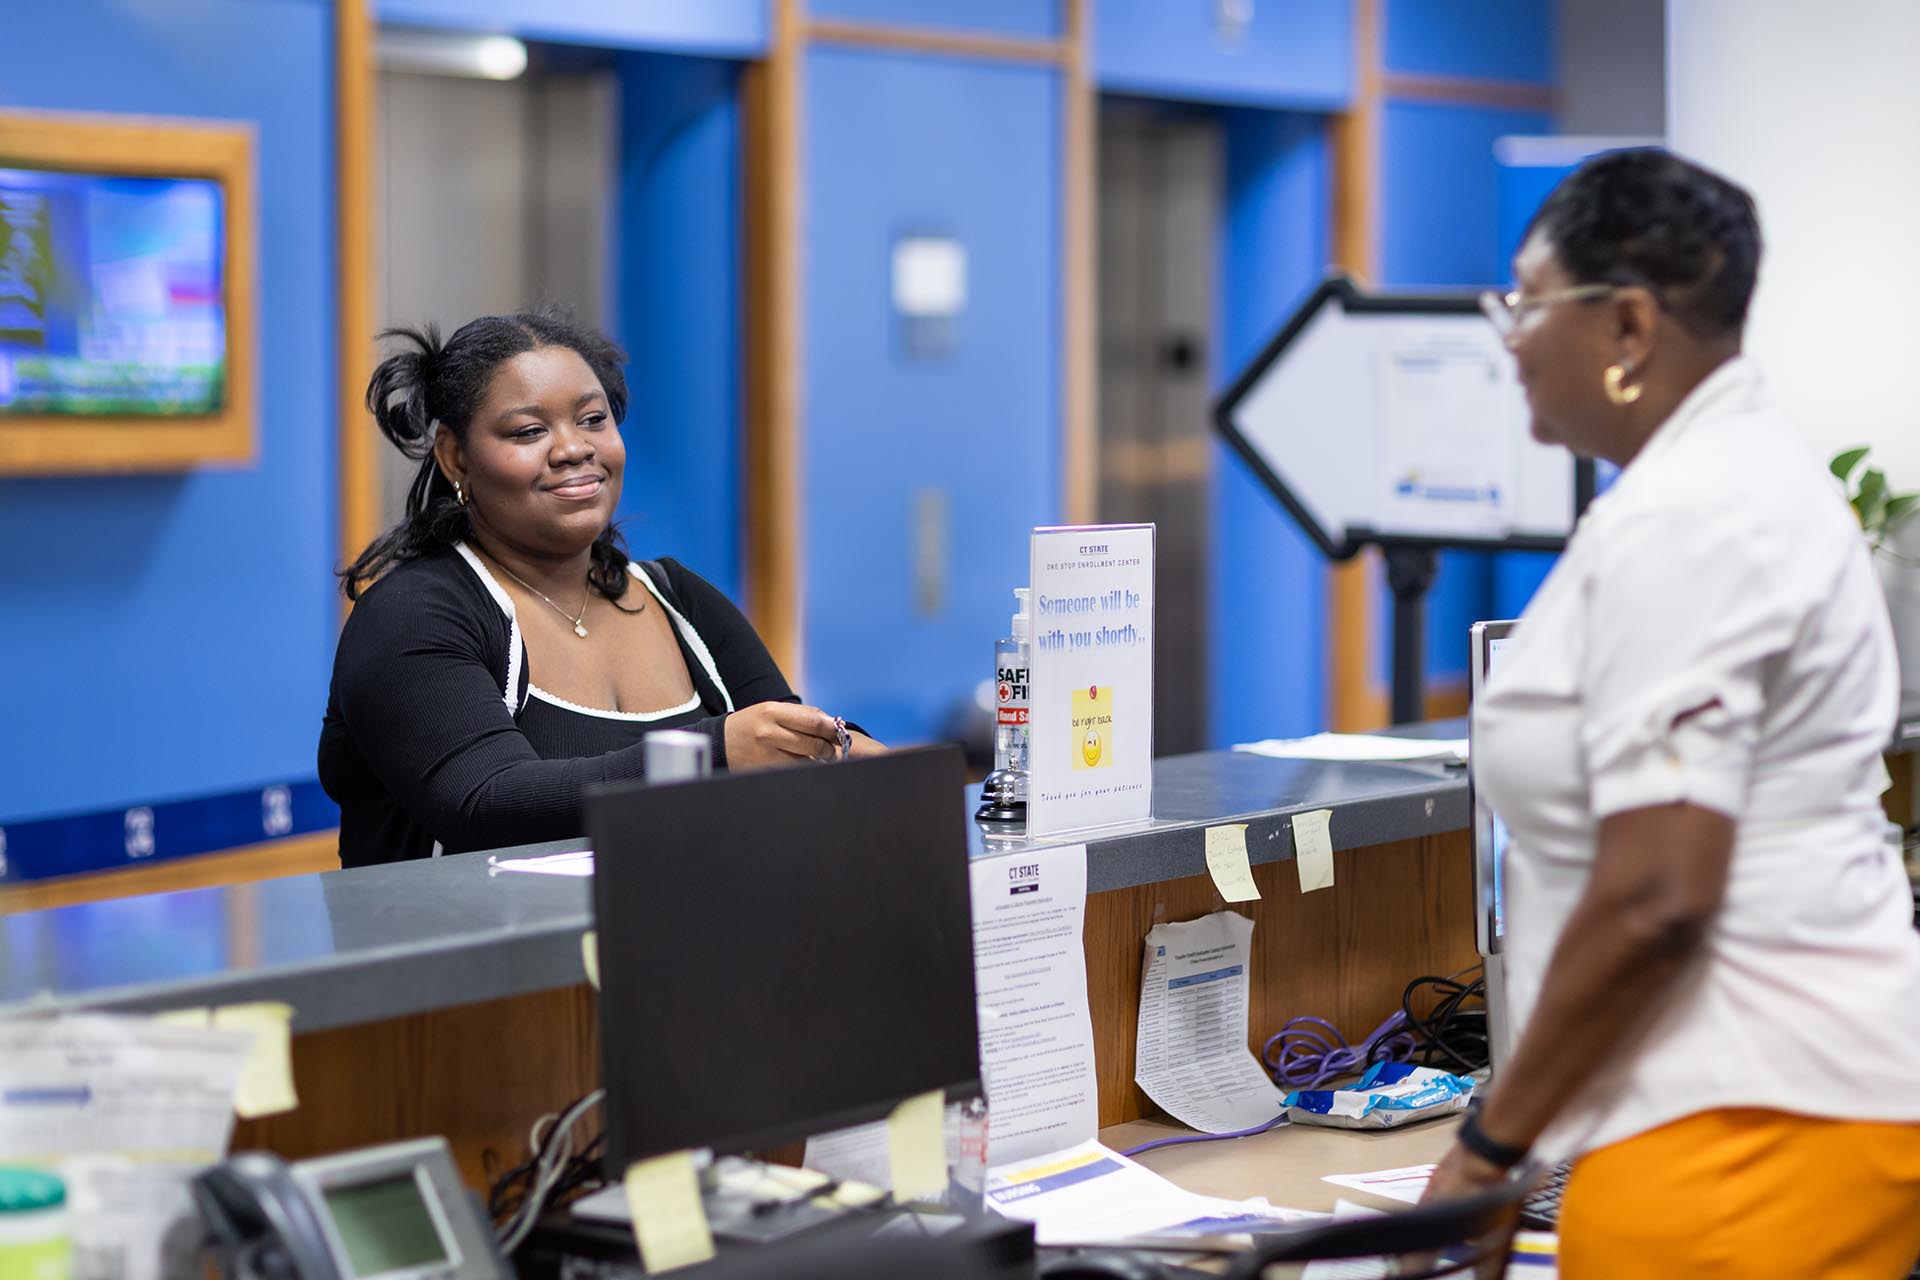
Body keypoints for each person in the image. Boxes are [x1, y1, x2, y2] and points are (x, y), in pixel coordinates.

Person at [1421, 149, 1920, 1276]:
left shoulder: (1699, 515)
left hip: (1745, 1132)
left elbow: (1658, 891)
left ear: (1630, 325)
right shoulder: (1717, 485)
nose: (1510, 339)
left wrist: (1493, 1144)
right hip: (1743, 1109)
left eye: (1527, 302)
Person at [320, 307, 880, 868]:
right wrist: (714, 754)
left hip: (679, 945)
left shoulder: (677, 598)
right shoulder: (413, 614)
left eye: (593, 419)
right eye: (528, 431)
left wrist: (838, 750)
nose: (573, 448)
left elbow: (776, 742)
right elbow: (486, 804)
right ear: (454, 456)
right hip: (465, 954)